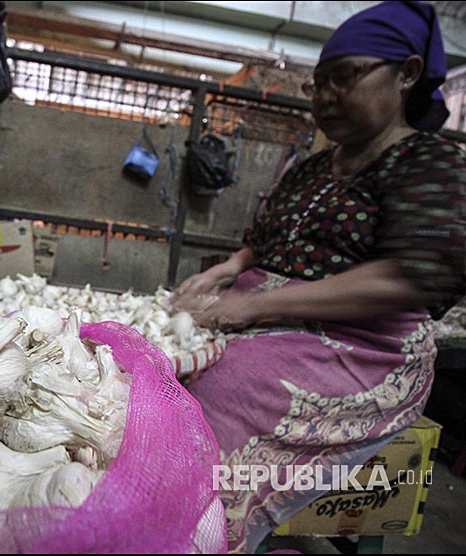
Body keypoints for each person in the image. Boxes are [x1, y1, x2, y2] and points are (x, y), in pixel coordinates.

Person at [170, 1, 465, 552]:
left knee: (216, 392)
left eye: (344, 77)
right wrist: (228, 270)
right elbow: (265, 243)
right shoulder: (309, 168)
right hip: (273, 317)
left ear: (405, 74)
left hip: (363, 343)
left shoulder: (430, 163)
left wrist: (257, 307)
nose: (326, 96)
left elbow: (414, 277)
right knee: (165, 357)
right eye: (318, 83)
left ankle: (200, 526)